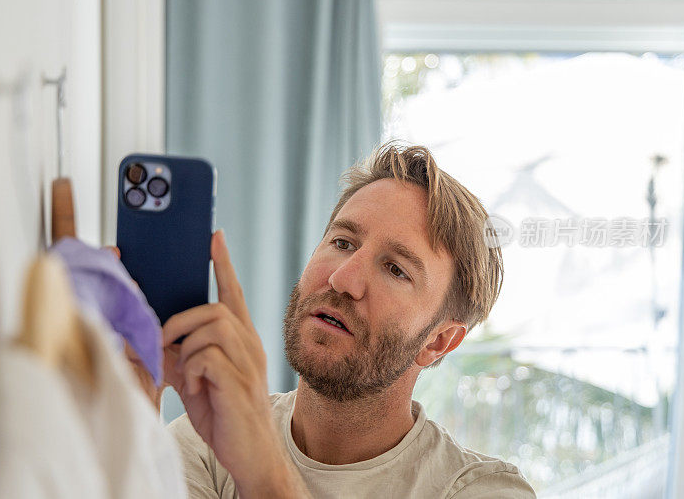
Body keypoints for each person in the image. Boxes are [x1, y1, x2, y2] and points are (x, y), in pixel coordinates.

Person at [150, 144, 535, 498]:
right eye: (342, 243)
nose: (342, 279)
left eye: (396, 270)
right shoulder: (202, 445)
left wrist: (261, 467)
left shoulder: (481, 490)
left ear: (438, 342)